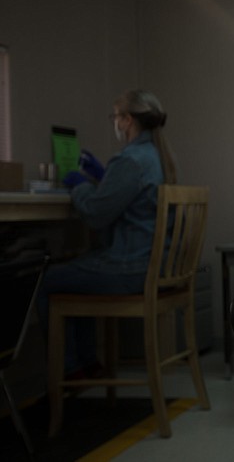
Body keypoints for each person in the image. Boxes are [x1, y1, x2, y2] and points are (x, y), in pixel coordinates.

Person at [37, 89, 176, 379]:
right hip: (156, 265)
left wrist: (79, 185)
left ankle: (70, 370)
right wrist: (103, 177)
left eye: (115, 117)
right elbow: (134, 198)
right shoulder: (158, 156)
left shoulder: (130, 160)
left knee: (46, 280)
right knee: (79, 270)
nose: (114, 123)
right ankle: (86, 363)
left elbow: (96, 215)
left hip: (131, 267)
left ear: (126, 120)